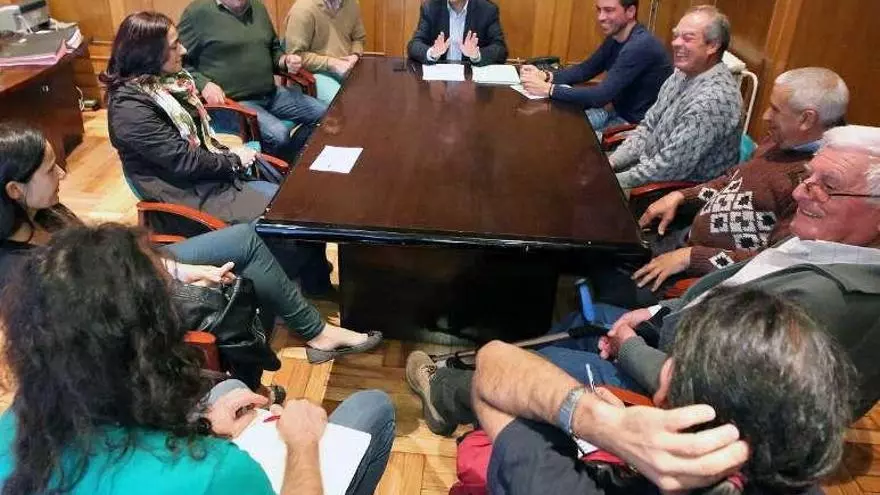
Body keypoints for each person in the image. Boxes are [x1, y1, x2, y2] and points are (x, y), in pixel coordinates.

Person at [406, 124, 880, 488]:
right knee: (579, 321)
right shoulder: (823, 244)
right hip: (665, 333)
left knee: (521, 374)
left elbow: (709, 396)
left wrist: (629, 347)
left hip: (659, 375)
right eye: (808, 178)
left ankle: (445, 391)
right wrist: (653, 315)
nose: (801, 192)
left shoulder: (825, 304)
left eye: (827, 185)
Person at [0, 224, 395, 495]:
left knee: (229, 388)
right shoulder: (216, 474)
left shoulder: (19, 421)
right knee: (373, 408)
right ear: (153, 340)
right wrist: (302, 445)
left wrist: (203, 425)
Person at [0, 123, 382, 371]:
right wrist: (178, 283)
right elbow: (108, 316)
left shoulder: (46, 215)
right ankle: (241, 378)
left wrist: (182, 270)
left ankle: (312, 332)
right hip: (126, 320)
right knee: (230, 291)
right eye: (50, 169)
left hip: (135, 275)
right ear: (15, 190)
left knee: (243, 239)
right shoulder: (20, 274)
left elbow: (111, 263)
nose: (63, 173)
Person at [474, 288, 855, 494]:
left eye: (675, 356)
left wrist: (603, 425)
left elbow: (492, 366)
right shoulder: (798, 480)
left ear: (668, 397)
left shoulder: (557, 483)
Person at [596, 67, 850, 308]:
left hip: (704, 277)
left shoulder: (813, 185)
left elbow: (773, 263)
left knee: (602, 283)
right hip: (685, 237)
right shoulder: (782, 141)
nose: (765, 116)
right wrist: (682, 196)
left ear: (806, 119)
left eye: (775, 109)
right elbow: (732, 179)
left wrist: (692, 257)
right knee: (601, 254)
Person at [103, 12, 277, 224]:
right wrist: (233, 160)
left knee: (289, 201)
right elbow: (184, 161)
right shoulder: (130, 109)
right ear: (149, 54)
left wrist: (231, 158)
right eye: (174, 46)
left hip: (205, 183)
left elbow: (192, 152)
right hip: (188, 199)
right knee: (286, 215)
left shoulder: (165, 84)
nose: (183, 50)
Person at [609, 5, 741, 190]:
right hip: (646, 167)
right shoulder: (682, 73)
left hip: (670, 192)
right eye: (676, 35)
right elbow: (648, 126)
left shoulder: (713, 101)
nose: (676, 43)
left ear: (712, 45)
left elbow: (668, 169)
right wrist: (613, 162)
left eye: (687, 38)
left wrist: (610, 181)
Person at [179, 0, 328, 160]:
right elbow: (179, 61)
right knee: (279, 134)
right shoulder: (196, 13)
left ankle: (294, 159)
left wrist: (284, 61)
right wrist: (204, 84)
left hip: (272, 94)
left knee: (327, 115)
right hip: (234, 103)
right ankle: (283, 167)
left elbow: (274, 49)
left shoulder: (258, 7)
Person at [519, 0, 672, 134]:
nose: (601, 17)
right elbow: (585, 70)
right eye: (599, 10)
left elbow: (600, 96)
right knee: (555, 126)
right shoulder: (616, 37)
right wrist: (546, 76)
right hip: (614, 111)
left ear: (630, 11)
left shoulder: (640, 46)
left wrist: (548, 89)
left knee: (567, 139)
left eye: (609, 10)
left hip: (636, 127)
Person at [284, 0, 366, 103]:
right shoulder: (302, 10)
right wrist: (331, 63)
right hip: (313, 74)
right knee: (345, 103)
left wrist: (355, 55)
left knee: (372, 95)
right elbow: (295, 56)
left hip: (347, 68)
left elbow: (358, 38)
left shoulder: (352, 4)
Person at [407, 0, 508, 66]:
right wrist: (432, 53)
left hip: (471, 83)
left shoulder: (487, 10)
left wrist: (476, 55)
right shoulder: (430, 8)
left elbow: (500, 50)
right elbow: (414, 46)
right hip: (439, 82)